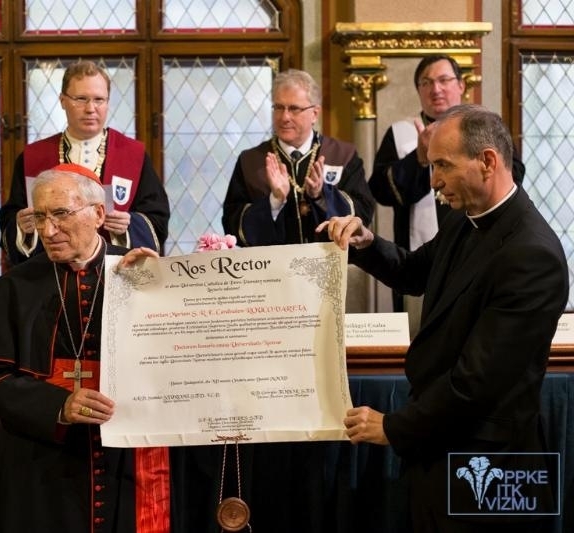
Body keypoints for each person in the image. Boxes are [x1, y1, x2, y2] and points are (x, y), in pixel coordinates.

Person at [320, 104, 568, 532]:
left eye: (442, 166)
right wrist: (365, 242)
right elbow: (417, 270)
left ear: (487, 161)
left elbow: (476, 384)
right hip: (441, 448)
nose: (433, 180)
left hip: (490, 466)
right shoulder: (465, 217)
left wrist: (394, 427)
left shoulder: (532, 255)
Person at [0, 163, 170, 532]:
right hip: (39, 459)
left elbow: (176, 355)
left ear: (98, 214)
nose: (48, 230)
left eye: (61, 214)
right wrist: (58, 405)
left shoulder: (135, 271)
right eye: (40, 217)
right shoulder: (12, 289)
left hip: (123, 454)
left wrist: (162, 287)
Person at [368, 55, 526, 321]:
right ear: (418, 90)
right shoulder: (400, 133)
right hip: (421, 257)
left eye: (444, 80)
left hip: (481, 249)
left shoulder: (486, 127)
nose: (436, 89)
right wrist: (418, 158)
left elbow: (513, 176)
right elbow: (381, 190)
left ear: (461, 85)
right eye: (426, 83)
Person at [0, 60, 170, 267]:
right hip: (49, 277)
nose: (90, 108)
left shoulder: (133, 155)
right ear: (62, 101)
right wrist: (22, 227)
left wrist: (129, 225)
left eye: (99, 100)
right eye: (81, 99)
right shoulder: (34, 157)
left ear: (108, 102)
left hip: (116, 271)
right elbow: (10, 217)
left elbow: (157, 219)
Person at [222, 68, 375, 246]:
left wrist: (322, 196)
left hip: (329, 266)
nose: (284, 117)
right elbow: (231, 226)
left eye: (294, 108)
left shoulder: (343, 155)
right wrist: (274, 201)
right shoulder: (250, 161)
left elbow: (363, 213)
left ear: (315, 114)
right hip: (274, 269)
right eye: (279, 107)